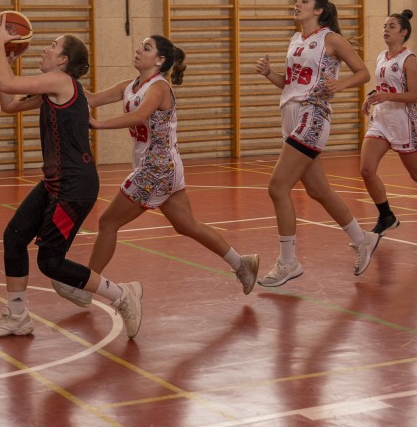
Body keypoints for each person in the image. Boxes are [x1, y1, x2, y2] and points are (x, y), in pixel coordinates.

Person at [50, 35, 260, 309]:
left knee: (108, 222)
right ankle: (240, 263)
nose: (139, 50)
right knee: (186, 225)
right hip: (161, 166)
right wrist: (64, 76)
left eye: (146, 48)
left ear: (159, 60)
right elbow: (90, 98)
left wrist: (98, 126)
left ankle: (85, 287)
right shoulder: (129, 86)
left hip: (156, 167)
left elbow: (139, 117)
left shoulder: (159, 87)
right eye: (140, 46)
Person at [0, 14, 143, 339]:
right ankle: (17, 316)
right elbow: (8, 103)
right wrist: (6, 58)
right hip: (57, 182)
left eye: (52, 47)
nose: (44, 50)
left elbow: (9, 83)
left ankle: (122, 294)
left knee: (51, 261)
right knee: (14, 238)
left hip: (74, 186)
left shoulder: (60, 81)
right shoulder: (53, 89)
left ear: (63, 60)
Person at [253, 0, 379, 287]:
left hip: (313, 114)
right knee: (318, 191)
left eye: (304, 0)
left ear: (319, 10)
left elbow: (363, 72)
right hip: (290, 112)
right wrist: (269, 73)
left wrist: (342, 84)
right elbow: (290, 84)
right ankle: (362, 239)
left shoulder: (331, 39)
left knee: (277, 187)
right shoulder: (296, 40)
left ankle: (288, 262)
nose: (297, 4)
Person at [359, 10, 417, 241]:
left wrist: (386, 97)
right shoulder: (382, 56)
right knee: (366, 170)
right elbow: (384, 88)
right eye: (384, 25)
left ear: (403, 33)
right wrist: (371, 96)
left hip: (404, 122)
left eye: (391, 26)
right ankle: (386, 216)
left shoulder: (409, 60)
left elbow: (414, 96)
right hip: (381, 120)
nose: (385, 30)